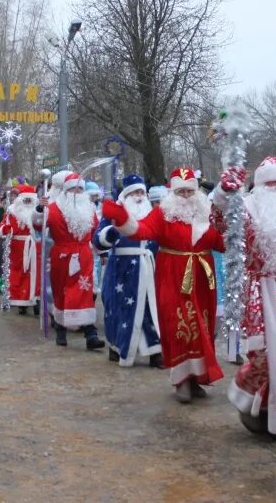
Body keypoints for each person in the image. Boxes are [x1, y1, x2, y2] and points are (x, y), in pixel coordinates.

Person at [102, 167, 226, 404]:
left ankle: (196, 376)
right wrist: (121, 219)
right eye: (180, 191)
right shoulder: (162, 213)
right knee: (178, 324)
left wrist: (233, 229)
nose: (186, 196)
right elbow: (142, 230)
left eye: (190, 191)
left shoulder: (208, 213)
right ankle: (181, 379)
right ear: (172, 191)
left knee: (202, 326)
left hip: (202, 276)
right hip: (173, 275)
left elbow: (222, 243)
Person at [213, 158, 276, 442]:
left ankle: (273, 416)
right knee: (263, 354)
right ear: (260, 185)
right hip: (255, 288)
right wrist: (223, 192)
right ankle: (248, 402)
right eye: (272, 183)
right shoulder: (246, 208)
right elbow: (221, 223)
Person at [95, 174, 163, 368]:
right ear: (125, 195)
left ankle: (154, 351)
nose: (139, 196)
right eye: (134, 192)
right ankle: (116, 346)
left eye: (142, 192)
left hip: (147, 267)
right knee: (118, 308)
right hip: (120, 268)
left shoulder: (153, 213)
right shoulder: (113, 214)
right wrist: (112, 232)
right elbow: (97, 240)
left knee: (150, 308)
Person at [37, 173, 104, 350]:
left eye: (80, 189)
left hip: (84, 256)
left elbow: (97, 232)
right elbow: (39, 226)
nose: (77, 192)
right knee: (62, 293)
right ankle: (61, 329)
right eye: (73, 189)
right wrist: (39, 209)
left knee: (85, 293)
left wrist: (102, 250)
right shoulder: (53, 209)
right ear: (66, 191)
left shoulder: (89, 209)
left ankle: (90, 334)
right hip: (62, 257)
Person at [0, 185, 42, 314]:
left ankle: (36, 301)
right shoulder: (12, 211)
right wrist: (5, 229)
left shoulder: (39, 211)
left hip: (35, 246)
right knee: (20, 275)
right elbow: (3, 226)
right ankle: (22, 302)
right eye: (25, 200)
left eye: (30, 200)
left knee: (35, 275)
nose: (28, 203)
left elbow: (42, 226)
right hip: (18, 249)